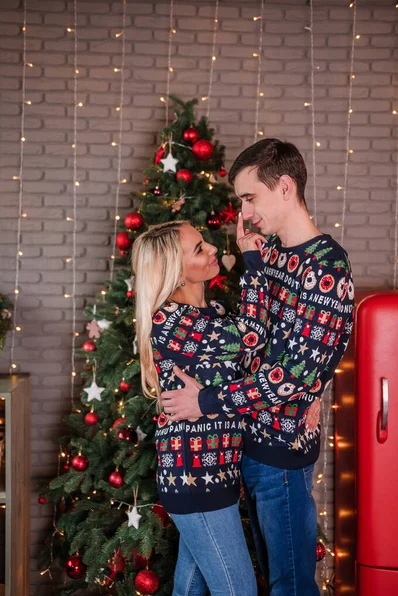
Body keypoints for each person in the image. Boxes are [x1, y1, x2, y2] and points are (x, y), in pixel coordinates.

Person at [161, 138, 355, 596]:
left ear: (284, 187)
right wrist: (253, 261)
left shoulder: (327, 266)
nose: (244, 213)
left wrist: (204, 401)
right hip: (239, 444)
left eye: (250, 198)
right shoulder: (269, 253)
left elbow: (294, 376)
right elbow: (252, 340)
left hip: (280, 455)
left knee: (289, 581)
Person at [132, 217, 270, 596]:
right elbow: (252, 337)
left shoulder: (213, 313)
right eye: (199, 249)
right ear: (176, 273)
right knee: (239, 590)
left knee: (190, 589)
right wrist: (253, 261)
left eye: (204, 242)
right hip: (194, 476)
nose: (212, 249)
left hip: (220, 471)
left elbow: (249, 359)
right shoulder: (171, 322)